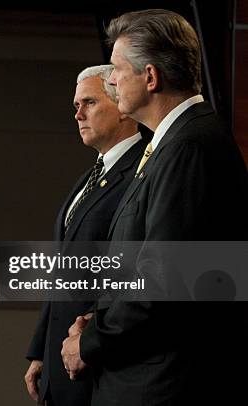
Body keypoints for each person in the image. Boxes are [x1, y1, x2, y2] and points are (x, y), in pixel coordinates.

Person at [61, 9, 248, 406]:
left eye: (115, 70)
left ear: (150, 77)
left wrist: (90, 342)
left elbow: (164, 284)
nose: (110, 81)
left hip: (161, 385)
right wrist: (97, 319)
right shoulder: (173, 142)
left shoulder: (190, 146)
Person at [25, 64, 147, 405]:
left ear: (122, 107)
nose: (78, 114)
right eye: (76, 105)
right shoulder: (92, 174)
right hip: (61, 361)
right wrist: (41, 350)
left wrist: (89, 339)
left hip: (97, 361)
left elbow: (127, 274)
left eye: (89, 103)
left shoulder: (142, 173)